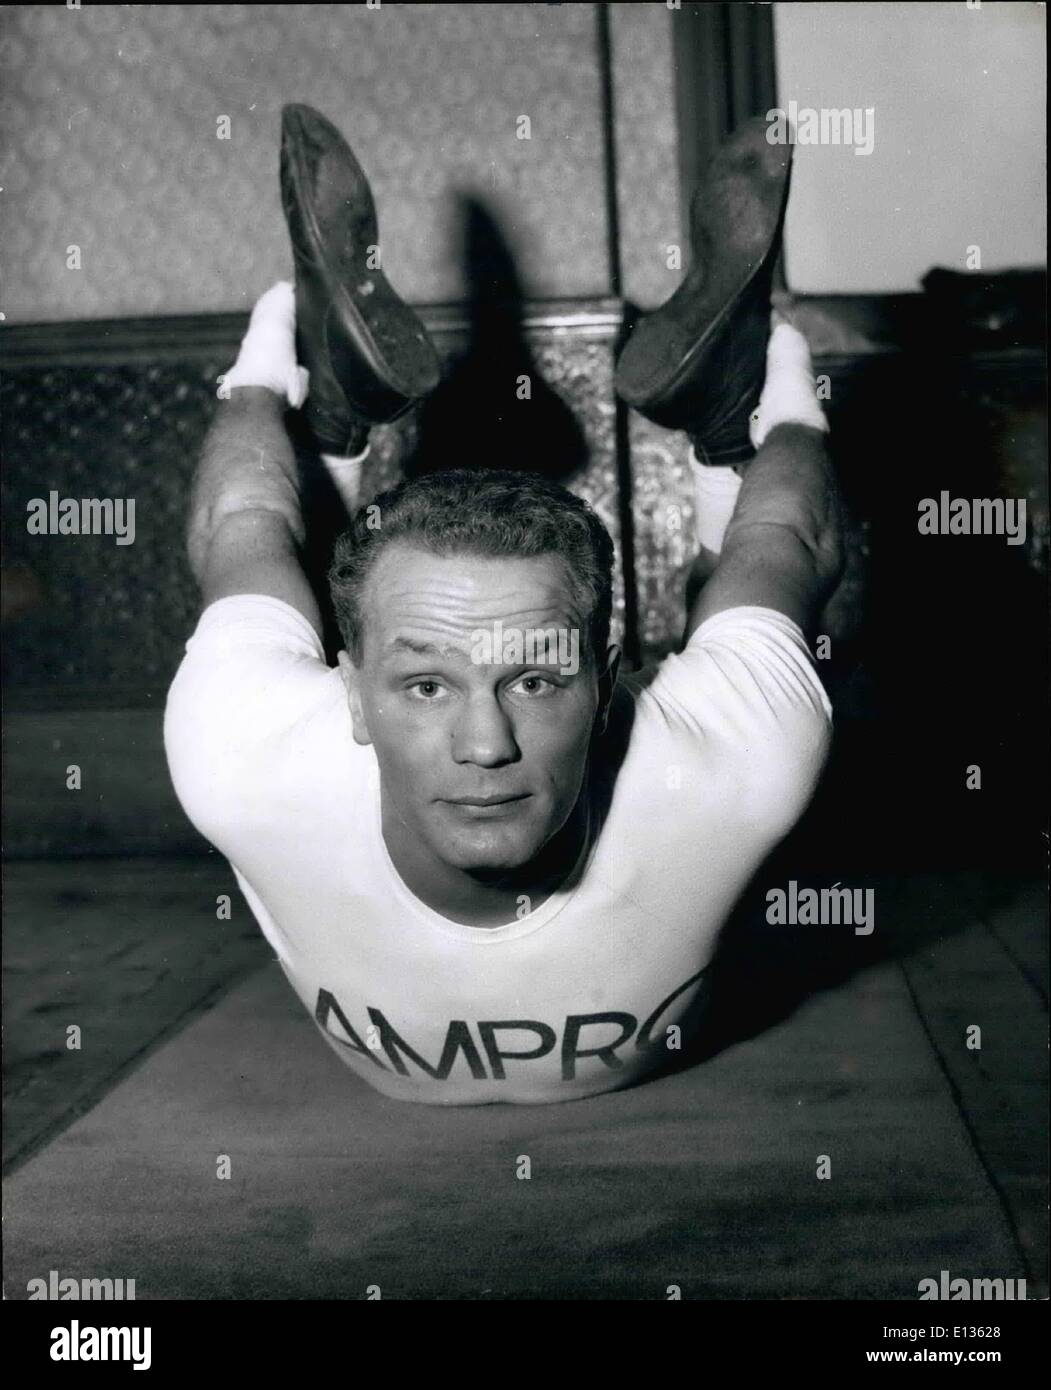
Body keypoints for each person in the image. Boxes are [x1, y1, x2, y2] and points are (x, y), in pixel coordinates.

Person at [165, 105, 843, 1105]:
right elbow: (245, 526)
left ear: (610, 686)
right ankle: (338, 400)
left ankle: (720, 421)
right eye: (426, 684)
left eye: (532, 675)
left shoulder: (716, 771)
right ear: (349, 694)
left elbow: (783, 544)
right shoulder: (254, 763)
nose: (485, 745)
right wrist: (273, 360)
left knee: (746, 575)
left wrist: (780, 387)